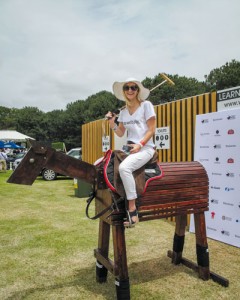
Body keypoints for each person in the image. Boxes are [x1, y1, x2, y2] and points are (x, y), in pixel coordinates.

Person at [105, 78, 156, 228]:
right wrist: (112, 123)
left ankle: (133, 210)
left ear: (138, 90)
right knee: (102, 163)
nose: (130, 90)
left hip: (146, 148)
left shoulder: (146, 105)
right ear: (124, 91)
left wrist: (140, 145)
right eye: (127, 88)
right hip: (128, 148)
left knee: (124, 168)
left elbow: (151, 130)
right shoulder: (123, 112)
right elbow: (120, 133)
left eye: (133, 87)